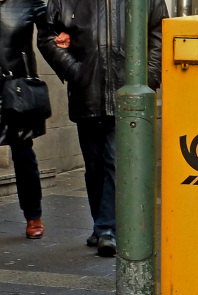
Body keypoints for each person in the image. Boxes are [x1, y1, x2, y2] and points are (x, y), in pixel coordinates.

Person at [39, 0, 166, 256]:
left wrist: (147, 78)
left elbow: (159, 36)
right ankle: (101, 226)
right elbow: (46, 37)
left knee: (115, 160)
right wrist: (76, 71)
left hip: (127, 92)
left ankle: (107, 228)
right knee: (95, 166)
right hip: (87, 92)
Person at [1, 0, 49, 240]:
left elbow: (52, 30)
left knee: (23, 154)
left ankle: (33, 216)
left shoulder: (27, 3)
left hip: (17, 89)